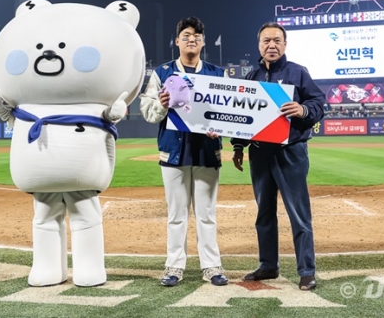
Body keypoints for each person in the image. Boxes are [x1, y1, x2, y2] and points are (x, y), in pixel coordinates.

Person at [231, 22, 325, 291]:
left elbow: (318, 104)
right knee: (264, 214)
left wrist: (303, 109)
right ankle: (268, 265)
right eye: (266, 41)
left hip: (290, 152)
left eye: (276, 40)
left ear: (284, 44)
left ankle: (306, 271)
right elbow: (242, 117)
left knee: (299, 213)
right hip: (259, 153)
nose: (271, 45)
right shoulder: (251, 76)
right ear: (258, 45)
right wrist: (238, 146)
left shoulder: (298, 72)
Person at [139, 16, 229, 287]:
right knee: (176, 215)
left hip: (206, 151)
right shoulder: (162, 73)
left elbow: (225, 114)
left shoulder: (217, 73)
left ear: (203, 42)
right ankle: (174, 266)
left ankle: (211, 266)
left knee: (206, 214)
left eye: (197, 36)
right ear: (177, 41)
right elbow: (147, 112)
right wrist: (162, 104)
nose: (192, 39)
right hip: (174, 152)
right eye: (187, 35)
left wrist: (219, 127)